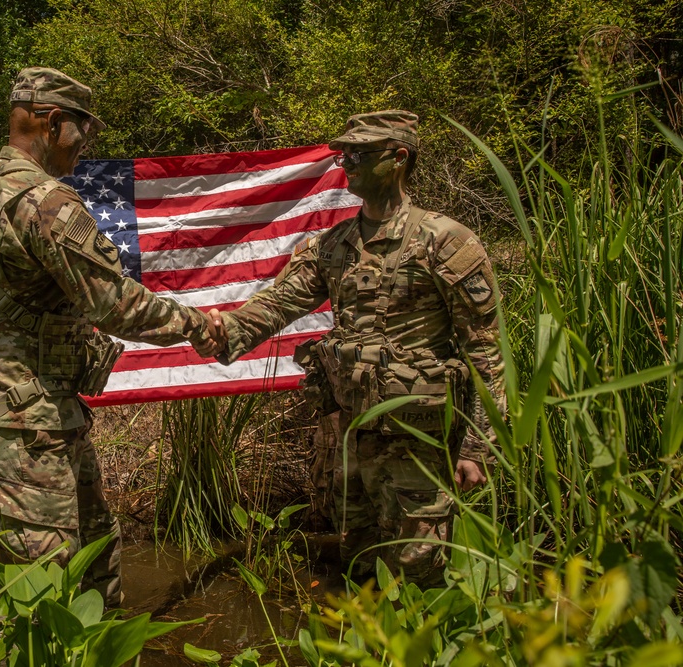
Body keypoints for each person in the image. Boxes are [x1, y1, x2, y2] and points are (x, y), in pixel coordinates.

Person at [0, 66, 223, 607]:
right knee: (44, 591)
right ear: (53, 123)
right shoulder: (44, 201)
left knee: (95, 553)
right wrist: (200, 326)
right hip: (25, 421)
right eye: (84, 129)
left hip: (20, 409)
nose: (85, 144)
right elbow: (113, 303)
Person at [210, 110, 506, 585]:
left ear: (400, 158)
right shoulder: (335, 244)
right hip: (353, 437)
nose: (348, 162)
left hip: (419, 443)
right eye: (345, 153)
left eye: (362, 154)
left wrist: (479, 448)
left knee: (417, 570)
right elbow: (276, 305)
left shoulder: (445, 242)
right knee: (360, 563)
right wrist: (218, 330)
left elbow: (488, 356)